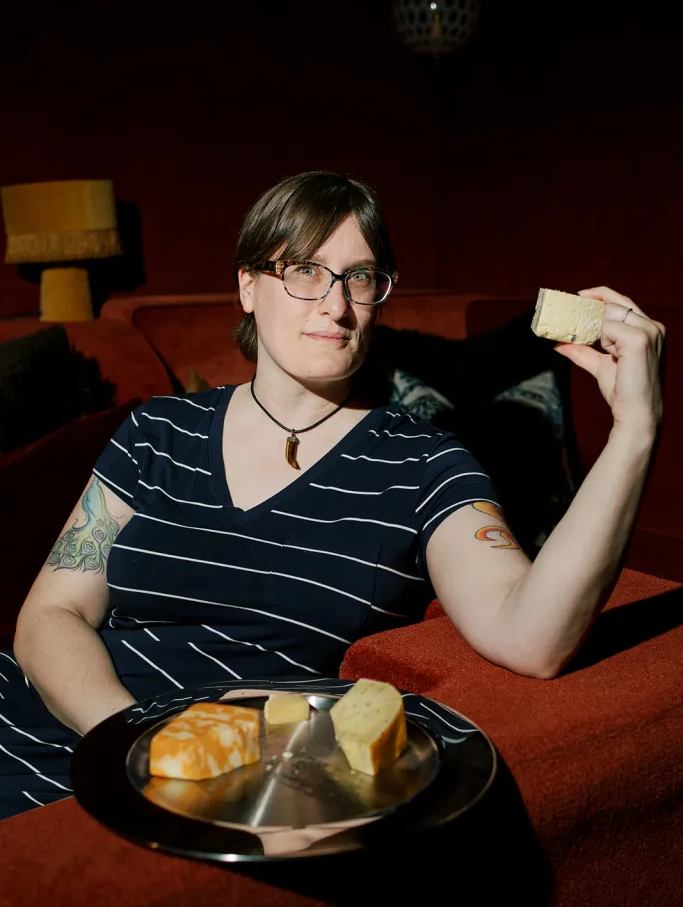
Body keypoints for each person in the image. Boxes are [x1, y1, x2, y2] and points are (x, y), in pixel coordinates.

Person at [0, 171, 664, 821]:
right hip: (70, 715)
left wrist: (634, 430)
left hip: (220, 781)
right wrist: (131, 738)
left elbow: (534, 636)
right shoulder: (159, 429)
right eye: (305, 271)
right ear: (247, 286)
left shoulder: (422, 463)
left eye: (360, 277)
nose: (336, 305)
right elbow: (49, 617)